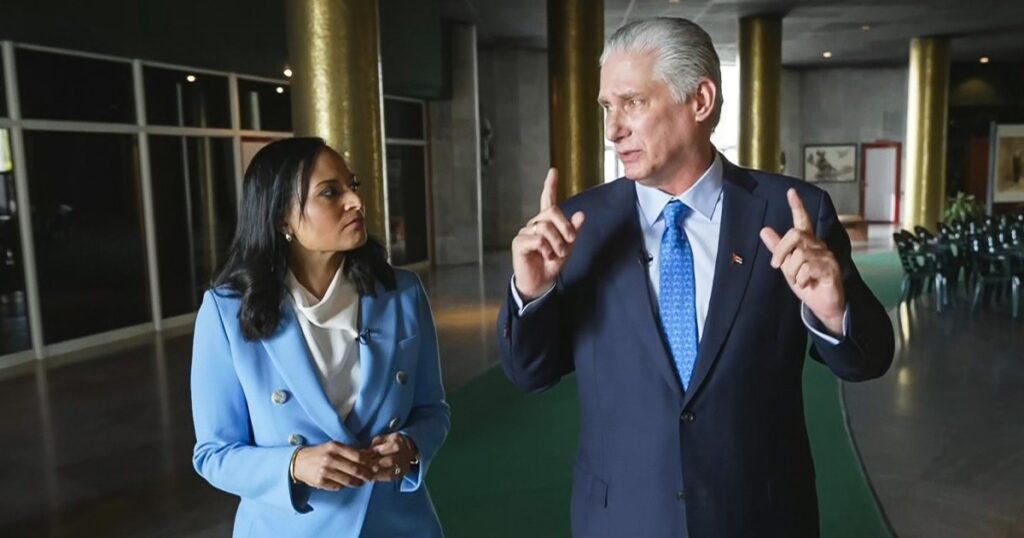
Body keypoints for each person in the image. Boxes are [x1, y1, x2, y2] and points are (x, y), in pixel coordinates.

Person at [497, 18, 895, 537]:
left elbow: (870, 359)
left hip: (761, 518)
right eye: (606, 107)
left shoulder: (792, 213)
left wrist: (833, 312)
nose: (613, 130)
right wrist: (532, 292)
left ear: (701, 100)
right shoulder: (577, 227)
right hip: (623, 520)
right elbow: (530, 374)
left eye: (632, 103)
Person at [191, 137, 449, 537]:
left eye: (352, 186)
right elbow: (214, 453)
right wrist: (294, 465)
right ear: (282, 219)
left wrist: (411, 448)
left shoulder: (402, 293)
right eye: (330, 192)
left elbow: (433, 410)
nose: (356, 202)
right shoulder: (227, 312)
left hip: (397, 526)